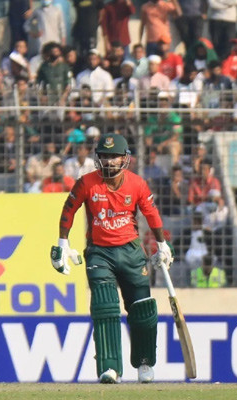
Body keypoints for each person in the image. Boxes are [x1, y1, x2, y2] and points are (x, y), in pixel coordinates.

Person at [50, 132, 173, 384]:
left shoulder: (137, 183)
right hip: (99, 252)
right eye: (104, 157)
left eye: (114, 157)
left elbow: (151, 214)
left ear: (125, 158)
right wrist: (63, 243)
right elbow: (68, 210)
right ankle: (110, 367)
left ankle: (144, 362)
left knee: (142, 311)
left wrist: (161, 245)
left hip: (130, 251)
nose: (109, 162)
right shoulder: (87, 183)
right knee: (105, 308)